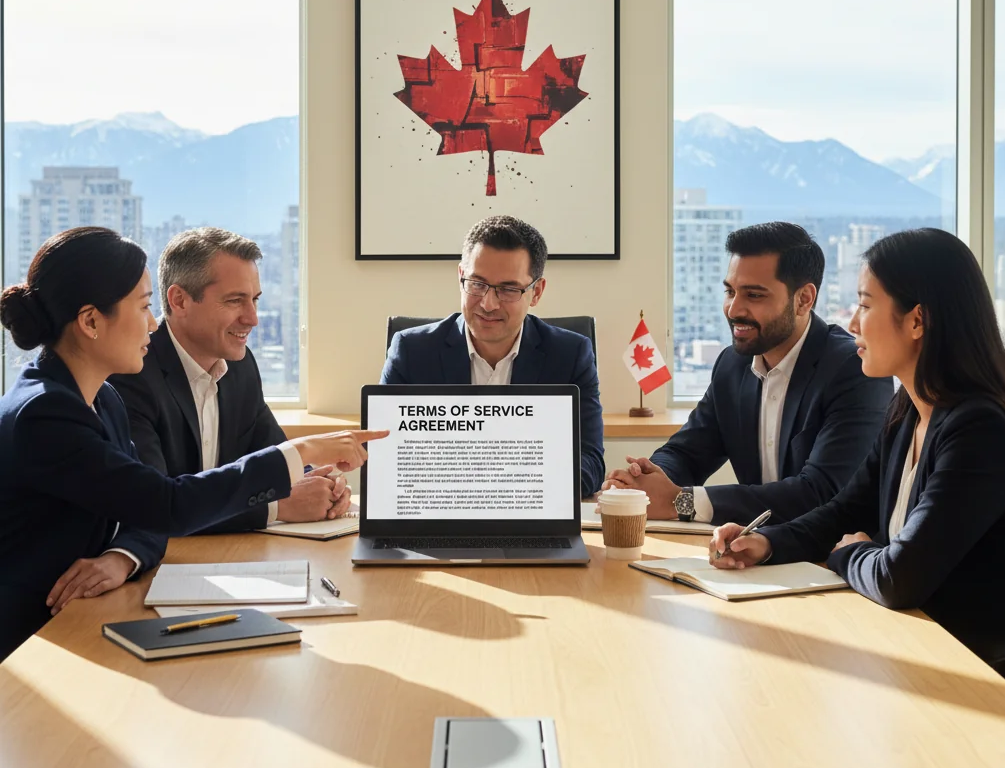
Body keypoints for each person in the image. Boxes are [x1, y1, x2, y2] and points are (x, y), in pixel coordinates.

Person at [0, 227, 386, 661]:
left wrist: (122, 558)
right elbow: (167, 504)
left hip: (80, 621)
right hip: (30, 641)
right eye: (145, 307)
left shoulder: (99, 397)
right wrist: (300, 454)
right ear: (90, 321)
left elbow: (144, 510)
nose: (152, 322)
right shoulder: (45, 414)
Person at [710, 229, 1005, 690]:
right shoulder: (906, 413)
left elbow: (900, 578)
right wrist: (766, 543)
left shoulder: (978, 429)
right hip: (912, 650)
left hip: (975, 673)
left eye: (866, 304)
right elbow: (842, 511)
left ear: (917, 320)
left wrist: (849, 552)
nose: (853, 324)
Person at [602, 222, 893, 524]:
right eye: (730, 291)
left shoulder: (854, 369)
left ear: (804, 299)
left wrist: (681, 501)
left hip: (831, 557)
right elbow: (687, 452)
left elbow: (821, 493)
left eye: (754, 295)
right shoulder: (732, 364)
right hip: (751, 553)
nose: (733, 309)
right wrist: (641, 483)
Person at [110, 228, 347, 534]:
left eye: (255, 300)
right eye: (235, 301)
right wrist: (276, 508)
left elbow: (277, 457)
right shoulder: (132, 375)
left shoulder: (240, 366)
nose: (252, 318)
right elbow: (159, 506)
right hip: (168, 561)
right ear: (180, 301)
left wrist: (324, 484)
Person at [380, 215, 605, 496]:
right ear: (460, 277)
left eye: (508, 289)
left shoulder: (570, 355)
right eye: (477, 283)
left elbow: (590, 466)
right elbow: (383, 459)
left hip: (532, 519)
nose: (488, 303)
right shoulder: (411, 351)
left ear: (536, 293)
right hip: (436, 518)